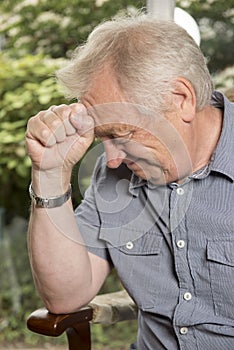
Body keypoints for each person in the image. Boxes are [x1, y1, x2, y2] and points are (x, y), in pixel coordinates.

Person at [26, 15, 234, 350]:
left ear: (181, 98)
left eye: (121, 134)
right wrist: (49, 175)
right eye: (102, 138)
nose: (111, 160)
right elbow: (64, 297)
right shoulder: (116, 175)